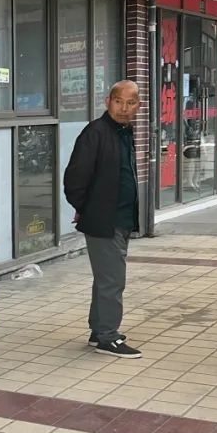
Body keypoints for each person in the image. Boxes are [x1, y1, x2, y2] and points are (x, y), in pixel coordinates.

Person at [63, 79, 143, 359]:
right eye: (118, 101)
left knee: (105, 279)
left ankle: (99, 330)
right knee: (113, 280)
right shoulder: (95, 133)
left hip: (120, 219)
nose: (124, 108)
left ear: (138, 105)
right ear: (107, 101)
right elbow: (73, 180)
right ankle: (108, 336)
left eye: (130, 102)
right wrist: (88, 208)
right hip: (104, 220)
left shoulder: (124, 131)